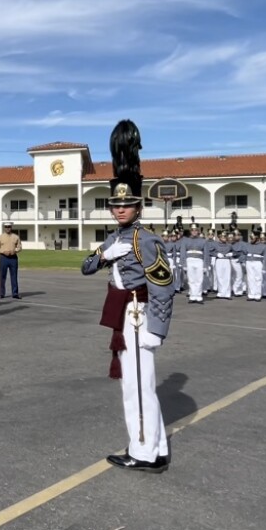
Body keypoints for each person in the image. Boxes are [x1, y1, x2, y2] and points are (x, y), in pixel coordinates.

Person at [81, 119, 173, 473]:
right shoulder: (114, 239)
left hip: (138, 317)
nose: (120, 209)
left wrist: (157, 328)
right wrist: (104, 256)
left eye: (127, 204)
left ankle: (143, 452)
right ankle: (157, 446)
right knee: (139, 386)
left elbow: (165, 285)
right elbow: (86, 267)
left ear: (138, 206)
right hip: (123, 316)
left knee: (136, 388)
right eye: (115, 205)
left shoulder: (146, 240)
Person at [0, 223, 22, 299]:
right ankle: (1, 293)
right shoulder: (0, 237)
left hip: (13, 258)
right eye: (6, 227)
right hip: (4, 257)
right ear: (4, 228)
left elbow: (19, 247)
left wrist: (15, 250)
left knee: (14, 276)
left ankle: (15, 293)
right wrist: (3, 251)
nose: (7, 228)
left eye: (9, 227)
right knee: (2, 276)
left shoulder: (16, 237)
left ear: (11, 227)